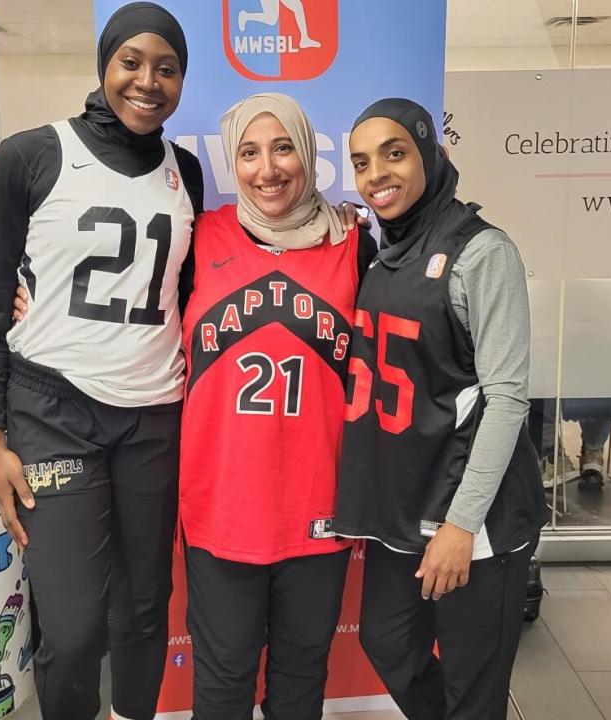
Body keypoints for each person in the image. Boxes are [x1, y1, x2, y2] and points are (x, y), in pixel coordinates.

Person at [0, 4, 202, 719]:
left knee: (143, 608)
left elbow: (184, 293)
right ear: (105, 64)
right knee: (71, 630)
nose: (148, 81)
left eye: (167, 68)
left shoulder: (185, 170)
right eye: (132, 61)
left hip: (154, 416)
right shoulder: (32, 154)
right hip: (53, 411)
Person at [334, 99, 548, 720]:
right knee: (387, 640)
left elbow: (508, 398)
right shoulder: (380, 251)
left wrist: (460, 526)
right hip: (404, 509)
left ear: (434, 155)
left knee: (473, 686)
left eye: (394, 153)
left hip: (475, 519)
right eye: (362, 162)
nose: (377, 174)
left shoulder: (483, 254)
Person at [179, 92, 376, 720]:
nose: (268, 169)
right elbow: (115, 291)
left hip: (316, 512)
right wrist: (31, 294)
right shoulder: (196, 238)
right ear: (232, 164)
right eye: (250, 152)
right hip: (220, 510)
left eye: (283, 147)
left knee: (298, 688)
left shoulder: (355, 246)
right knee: (222, 687)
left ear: (308, 152)